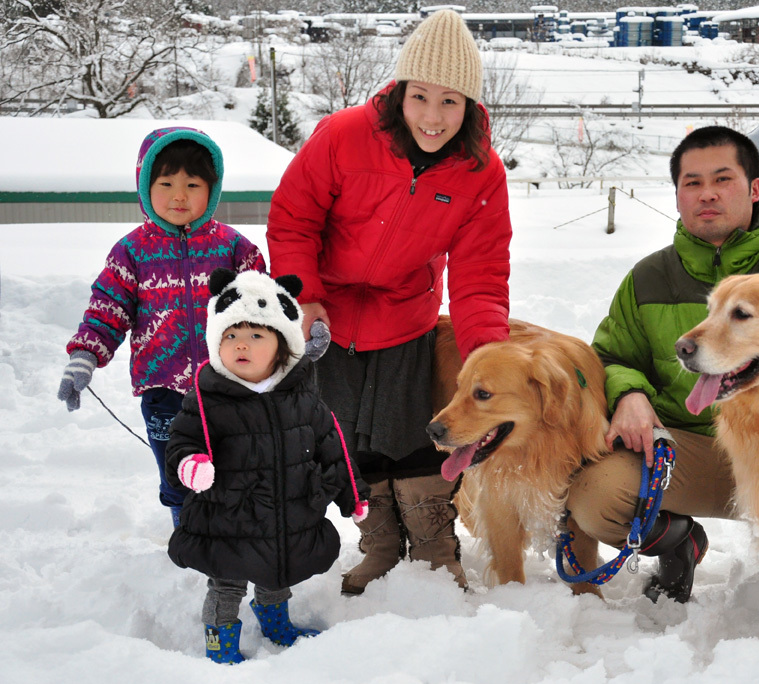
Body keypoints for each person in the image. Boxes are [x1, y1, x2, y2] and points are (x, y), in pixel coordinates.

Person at [265, 8, 512, 595]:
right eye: (421, 96)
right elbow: (294, 219)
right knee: (346, 437)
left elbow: (480, 275)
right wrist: (304, 297)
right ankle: (377, 544)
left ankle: (432, 545)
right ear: (400, 91)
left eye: (450, 102)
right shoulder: (344, 135)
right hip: (327, 313)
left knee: (410, 432)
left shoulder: (481, 171)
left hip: (406, 313)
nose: (432, 116)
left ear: (470, 107)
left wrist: (485, 359)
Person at [566, 125, 759, 604]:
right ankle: (678, 543)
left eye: (723, 179)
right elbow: (610, 356)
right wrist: (628, 394)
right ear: (677, 194)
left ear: (754, 188)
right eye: (691, 183)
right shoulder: (648, 278)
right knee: (596, 497)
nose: (707, 195)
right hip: (691, 453)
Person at [58, 127, 265, 528]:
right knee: (177, 469)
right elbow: (108, 308)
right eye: (166, 183)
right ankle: (186, 530)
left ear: (213, 188)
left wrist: (293, 343)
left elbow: (266, 309)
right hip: (162, 390)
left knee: (236, 466)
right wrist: (84, 356)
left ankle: (237, 535)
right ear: (144, 188)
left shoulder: (233, 248)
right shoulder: (132, 252)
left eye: (193, 183)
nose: (179, 196)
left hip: (231, 385)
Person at [165, 269, 371, 664]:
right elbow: (181, 441)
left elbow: (334, 449)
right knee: (226, 588)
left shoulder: (303, 399)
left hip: (288, 516)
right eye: (230, 336)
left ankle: (276, 622)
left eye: (256, 336)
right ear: (216, 344)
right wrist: (190, 463)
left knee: (277, 575)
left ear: (283, 346)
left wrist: (353, 494)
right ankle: (219, 642)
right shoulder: (207, 400)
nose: (241, 344)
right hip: (227, 520)